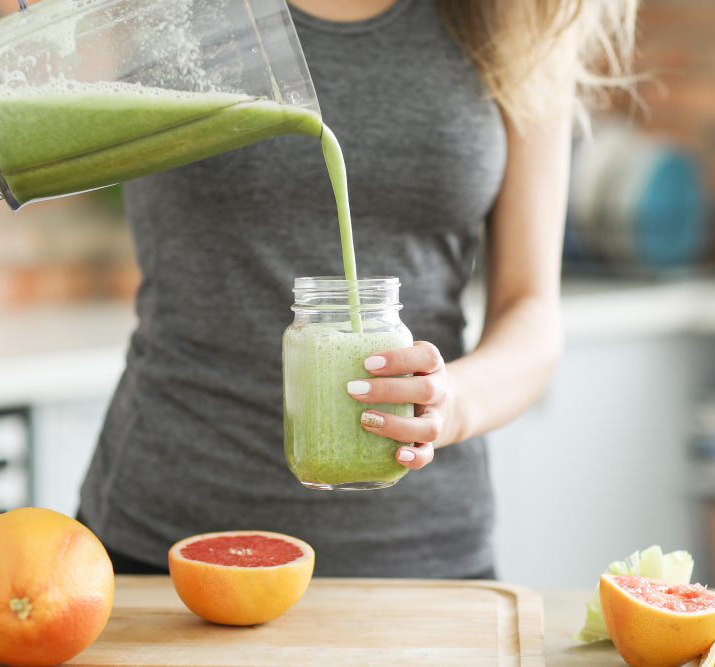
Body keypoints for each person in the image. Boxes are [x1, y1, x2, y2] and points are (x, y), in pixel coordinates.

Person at [78, 0, 637, 578]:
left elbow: (532, 309)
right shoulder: (154, 10)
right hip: (169, 537)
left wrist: (451, 404)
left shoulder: (518, 13)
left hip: (423, 551)